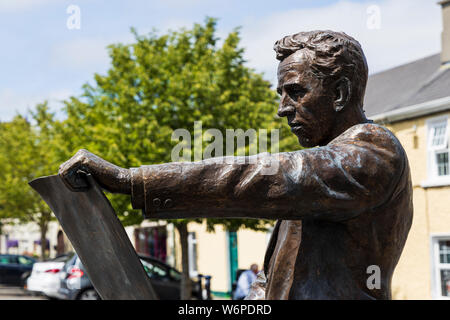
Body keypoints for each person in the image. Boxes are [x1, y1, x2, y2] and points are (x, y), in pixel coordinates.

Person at [59, 30, 413, 300]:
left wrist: (131, 180)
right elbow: (272, 278)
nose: (283, 108)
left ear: (338, 93)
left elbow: (269, 178)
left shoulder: (372, 152)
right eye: (281, 95)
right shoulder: (319, 176)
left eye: (296, 92)